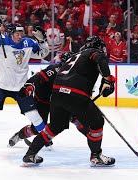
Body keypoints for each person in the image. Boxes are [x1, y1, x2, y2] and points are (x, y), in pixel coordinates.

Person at [21, 36, 116, 167]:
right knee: (97, 121)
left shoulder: (75, 56)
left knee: (55, 126)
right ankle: (96, 156)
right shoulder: (94, 52)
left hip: (57, 94)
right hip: (75, 94)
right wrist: (107, 79)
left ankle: (29, 154)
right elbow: (99, 58)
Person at [0, 16, 49, 139]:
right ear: (10, 34)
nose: (19, 36)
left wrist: (43, 41)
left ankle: (46, 138)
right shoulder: (1, 41)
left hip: (21, 87)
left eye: (21, 34)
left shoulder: (28, 43)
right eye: (17, 34)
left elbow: (43, 54)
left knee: (33, 115)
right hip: (2, 85)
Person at [8, 51, 73, 147]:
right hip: (43, 101)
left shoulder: (74, 73)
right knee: (36, 128)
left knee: (68, 120)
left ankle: (46, 137)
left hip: (57, 102)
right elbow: (37, 78)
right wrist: (29, 86)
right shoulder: (53, 70)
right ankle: (19, 135)